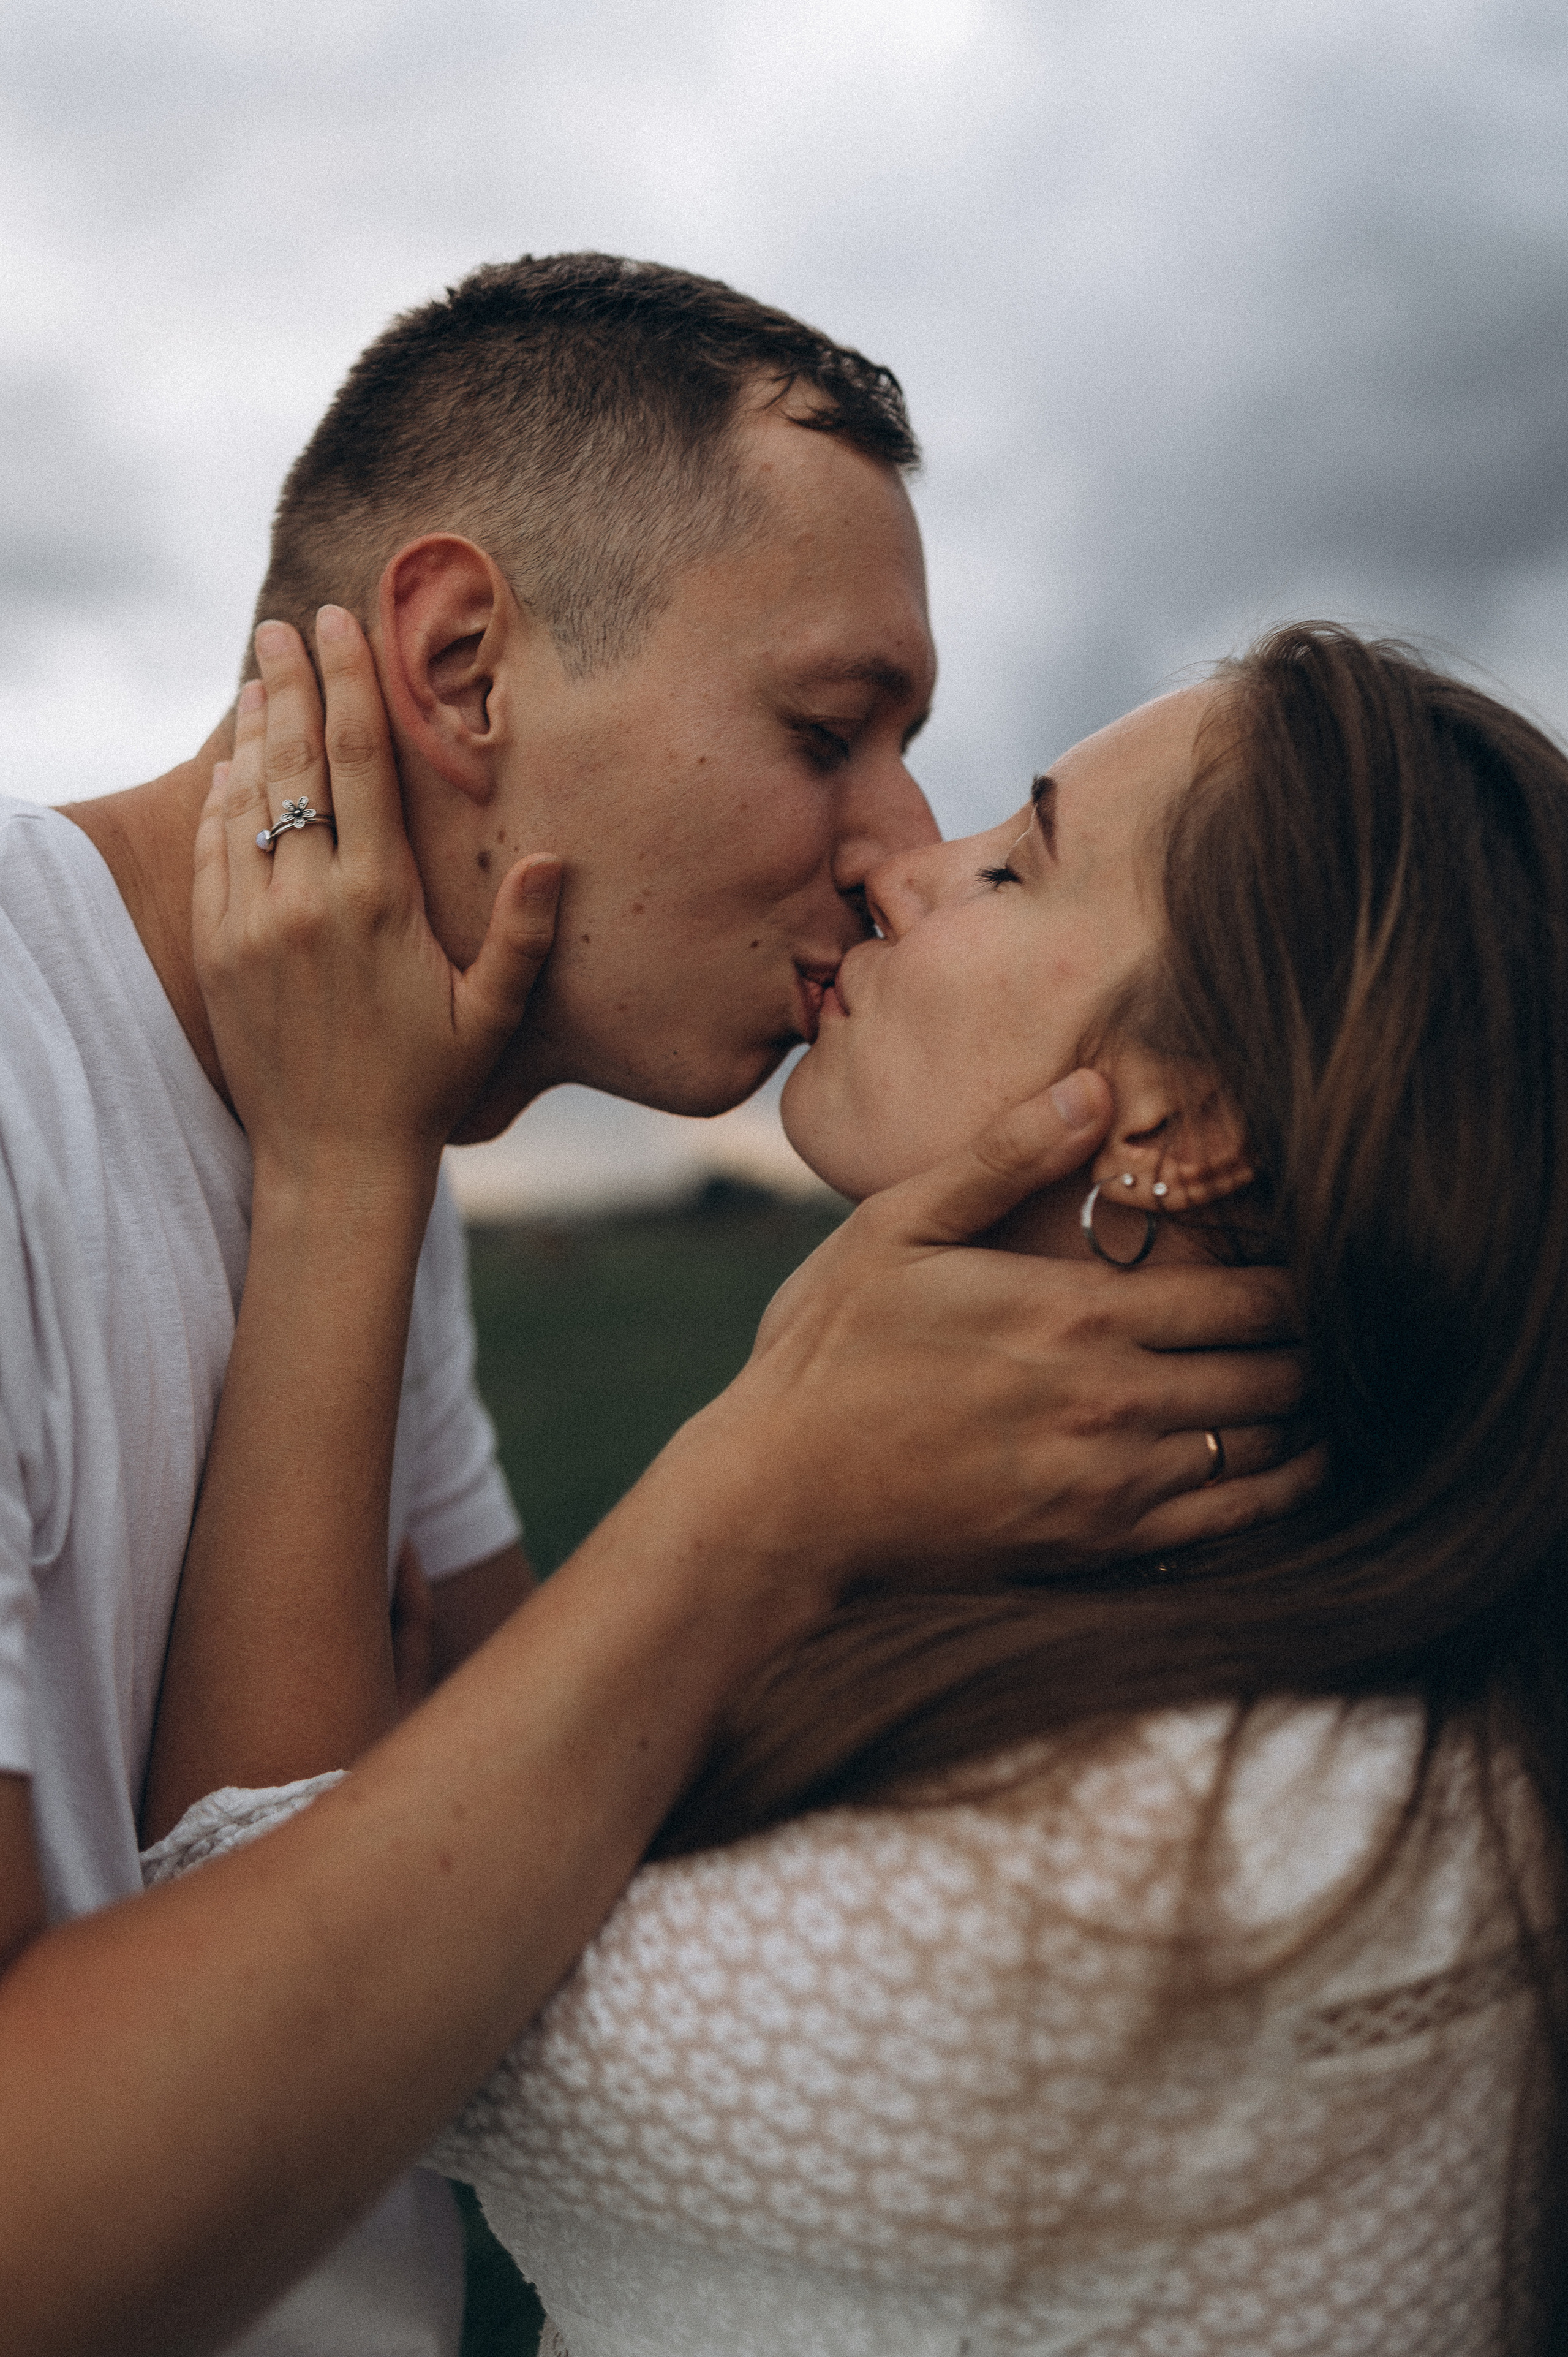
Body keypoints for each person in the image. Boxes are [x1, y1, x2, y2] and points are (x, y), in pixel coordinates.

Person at [0, 256, 1301, 2356]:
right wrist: (760, 1496)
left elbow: (475, 1836)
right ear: (463, 665)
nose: (896, 842)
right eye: (825, 729)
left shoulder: (368, 1131)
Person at [157, 622, 1568, 2356]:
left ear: (1191, 1124)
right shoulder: (1231, 1651)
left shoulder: (1159, 1876)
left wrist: (342, 1158)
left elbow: (238, 1969)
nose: (906, 863)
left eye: (1018, 860)